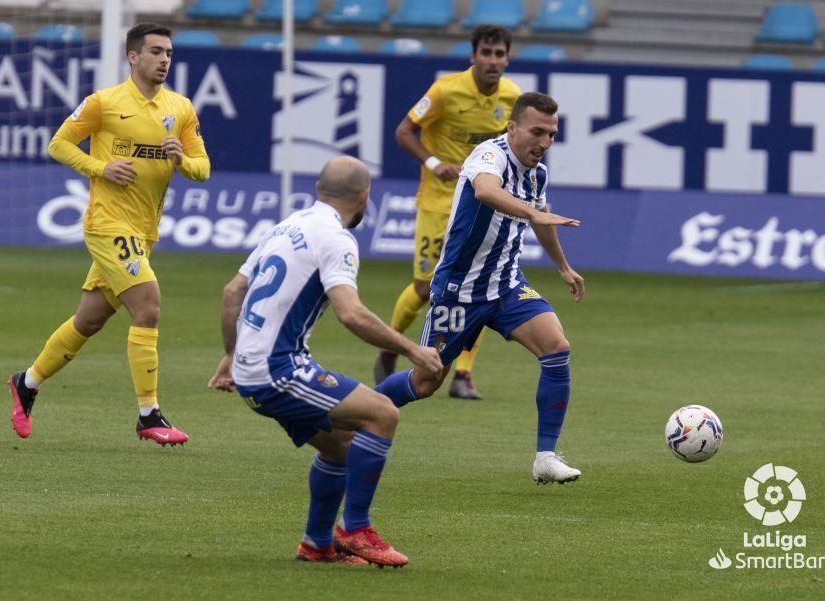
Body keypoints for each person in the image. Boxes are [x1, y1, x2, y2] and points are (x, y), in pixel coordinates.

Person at [207, 156, 443, 566]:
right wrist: (411, 348)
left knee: (338, 446)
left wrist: (232, 354)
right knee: (382, 415)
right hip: (276, 369)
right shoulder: (335, 238)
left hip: (255, 364)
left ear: (319, 188)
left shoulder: (286, 226)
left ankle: (316, 545)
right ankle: (355, 529)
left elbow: (232, 292)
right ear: (365, 196)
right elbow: (350, 313)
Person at [8, 23, 210, 445]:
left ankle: (26, 382)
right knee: (149, 305)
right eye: (155, 52)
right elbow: (59, 144)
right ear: (133, 57)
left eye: (169, 53)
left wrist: (181, 160)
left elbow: (202, 168)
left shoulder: (181, 108)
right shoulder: (105, 103)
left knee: (90, 320)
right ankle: (148, 414)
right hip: (107, 224)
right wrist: (100, 168)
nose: (164, 60)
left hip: (144, 230)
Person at [373, 92, 586, 484]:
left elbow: (541, 220)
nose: (545, 142)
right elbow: (487, 192)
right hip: (459, 290)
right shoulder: (489, 156)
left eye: (552, 134)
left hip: (506, 285)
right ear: (512, 127)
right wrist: (536, 211)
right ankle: (363, 410)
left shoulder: (537, 173)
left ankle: (545, 456)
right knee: (427, 381)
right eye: (537, 131)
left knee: (556, 347)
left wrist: (563, 267)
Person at [374, 24, 521, 400]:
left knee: (482, 287)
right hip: (439, 202)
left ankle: (463, 374)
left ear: (507, 58)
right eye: (486, 53)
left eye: (499, 54)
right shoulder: (444, 91)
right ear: (473, 56)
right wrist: (434, 160)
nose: (493, 60)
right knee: (425, 288)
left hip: (483, 203)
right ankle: (390, 346)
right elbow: (404, 131)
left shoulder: (512, 96)